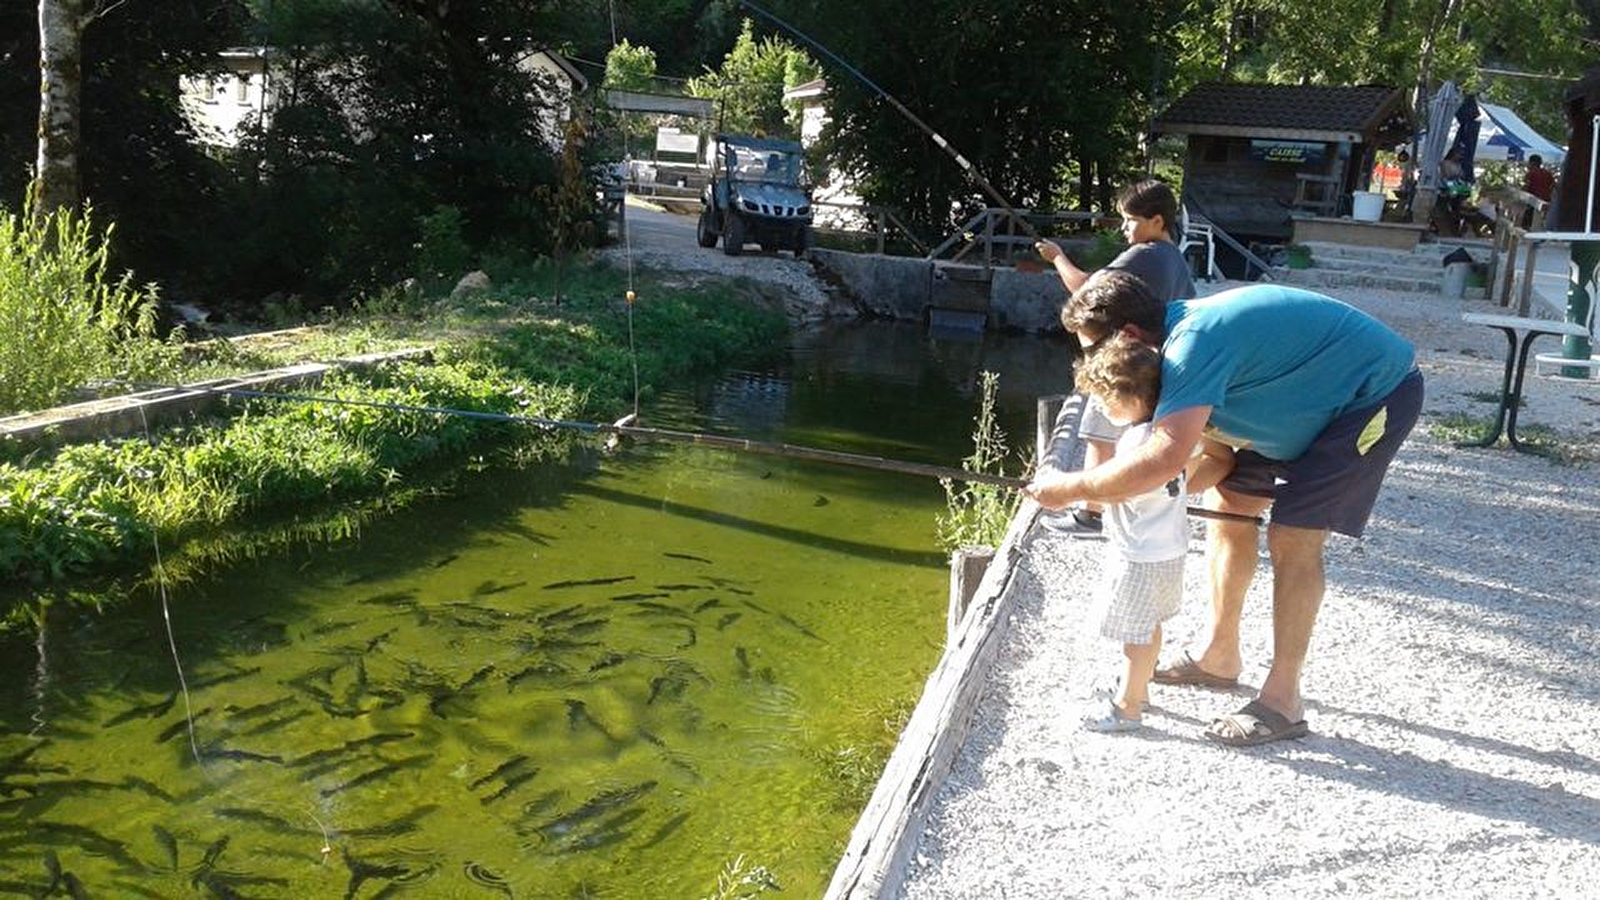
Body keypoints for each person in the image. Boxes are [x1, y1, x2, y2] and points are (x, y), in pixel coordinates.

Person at [1024, 273, 1424, 747]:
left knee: (1294, 535)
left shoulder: (1192, 345)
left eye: (1093, 348)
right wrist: (1151, 493)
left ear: (1129, 335)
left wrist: (1070, 488)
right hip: (1291, 399)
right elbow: (1206, 465)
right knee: (1230, 502)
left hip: (1372, 395)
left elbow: (1165, 457)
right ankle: (1219, 655)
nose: (1091, 360)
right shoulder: (1169, 346)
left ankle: (1283, 701)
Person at [1069, 332, 1234, 732]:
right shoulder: (1171, 436)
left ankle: (1127, 708)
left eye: (1108, 401)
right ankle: (1138, 689)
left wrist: (1073, 490)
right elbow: (1195, 470)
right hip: (1168, 551)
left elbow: (1117, 489)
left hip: (1140, 555)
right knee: (1149, 626)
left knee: (1135, 635)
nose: (1105, 409)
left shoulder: (1137, 444)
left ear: (1133, 397)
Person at [1034, 179, 1196, 538]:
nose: (1124, 228)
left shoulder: (1147, 253)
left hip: (1126, 362)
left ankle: (1089, 515)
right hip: (1154, 362)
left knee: (1097, 432)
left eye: (1129, 219)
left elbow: (1086, 291)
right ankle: (1123, 510)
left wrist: (1056, 256)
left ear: (1157, 221)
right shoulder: (1175, 260)